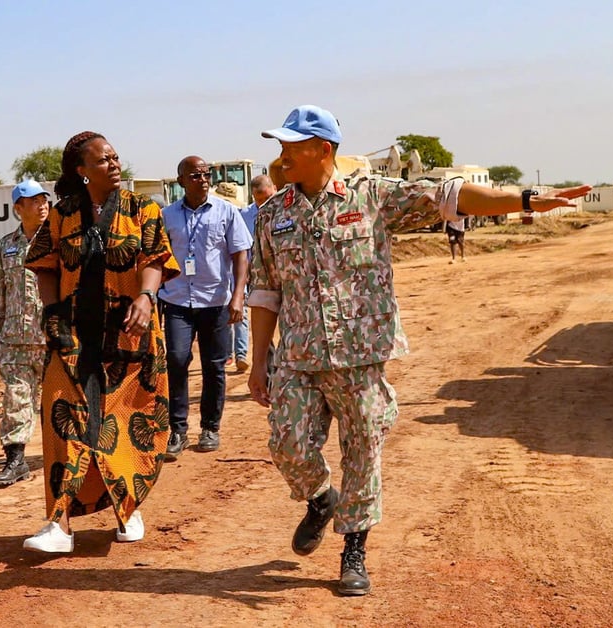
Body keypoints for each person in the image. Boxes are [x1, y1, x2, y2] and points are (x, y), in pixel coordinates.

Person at [248, 105, 590, 595]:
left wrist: (528, 200)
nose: (281, 157)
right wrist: (259, 360)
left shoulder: (373, 197)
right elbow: (264, 292)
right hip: (299, 356)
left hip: (360, 356)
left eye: (290, 146)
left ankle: (353, 550)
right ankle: (322, 499)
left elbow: (453, 198)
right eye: (279, 146)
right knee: (287, 446)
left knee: (363, 451)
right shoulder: (273, 215)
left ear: (323, 149)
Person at [22, 132, 180, 553]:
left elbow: (154, 260)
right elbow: (44, 266)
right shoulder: (63, 214)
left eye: (115, 156)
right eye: (103, 159)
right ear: (81, 170)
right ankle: (59, 523)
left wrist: (146, 298)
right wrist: (52, 311)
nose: (113, 163)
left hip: (129, 337)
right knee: (62, 419)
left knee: (124, 424)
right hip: (72, 337)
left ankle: (127, 509)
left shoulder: (141, 209)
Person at [158, 158, 251, 461]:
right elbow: (158, 257)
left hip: (215, 301)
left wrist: (238, 296)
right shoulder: (166, 216)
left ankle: (210, 427)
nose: (202, 179)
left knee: (214, 366)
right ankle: (177, 429)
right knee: (176, 360)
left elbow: (240, 255)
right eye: (195, 175)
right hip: (176, 300)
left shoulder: (226, 211)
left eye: (206, 174)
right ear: (181, 180)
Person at [0, 180, 50, 486]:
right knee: (16, 398)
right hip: (15, 337)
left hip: (52, 337)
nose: (41, 205)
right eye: (33, 201)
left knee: (58, 400)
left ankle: (66, 455)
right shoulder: (6, 245)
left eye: (43, 199)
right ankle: (15, 460)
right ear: (18, 208)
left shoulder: (58, 241)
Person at [228, 175, 276, 373]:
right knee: (262, 323)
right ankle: (270, 370)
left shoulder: (289, 209)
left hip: (286, 274)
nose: (263, 204)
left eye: (266, 198)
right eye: (258, 200)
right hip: (259, 277)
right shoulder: (245, 215)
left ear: (274, 189)